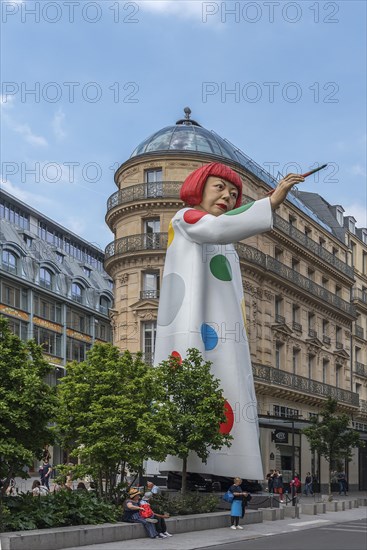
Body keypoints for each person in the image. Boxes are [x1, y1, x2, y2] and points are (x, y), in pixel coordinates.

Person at [154, 162, 304, 478]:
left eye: (234, 193)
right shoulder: (187, 217)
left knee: (226, 386)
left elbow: (224, 230)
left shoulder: (225, 240)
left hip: (221, 327)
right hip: (193, 320)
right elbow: (217, 227)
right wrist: (270, 202)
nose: (227, 196)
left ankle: (226, 468)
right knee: (198, 377)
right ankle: (188, 470)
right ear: (199, 186)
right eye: (219, 187)